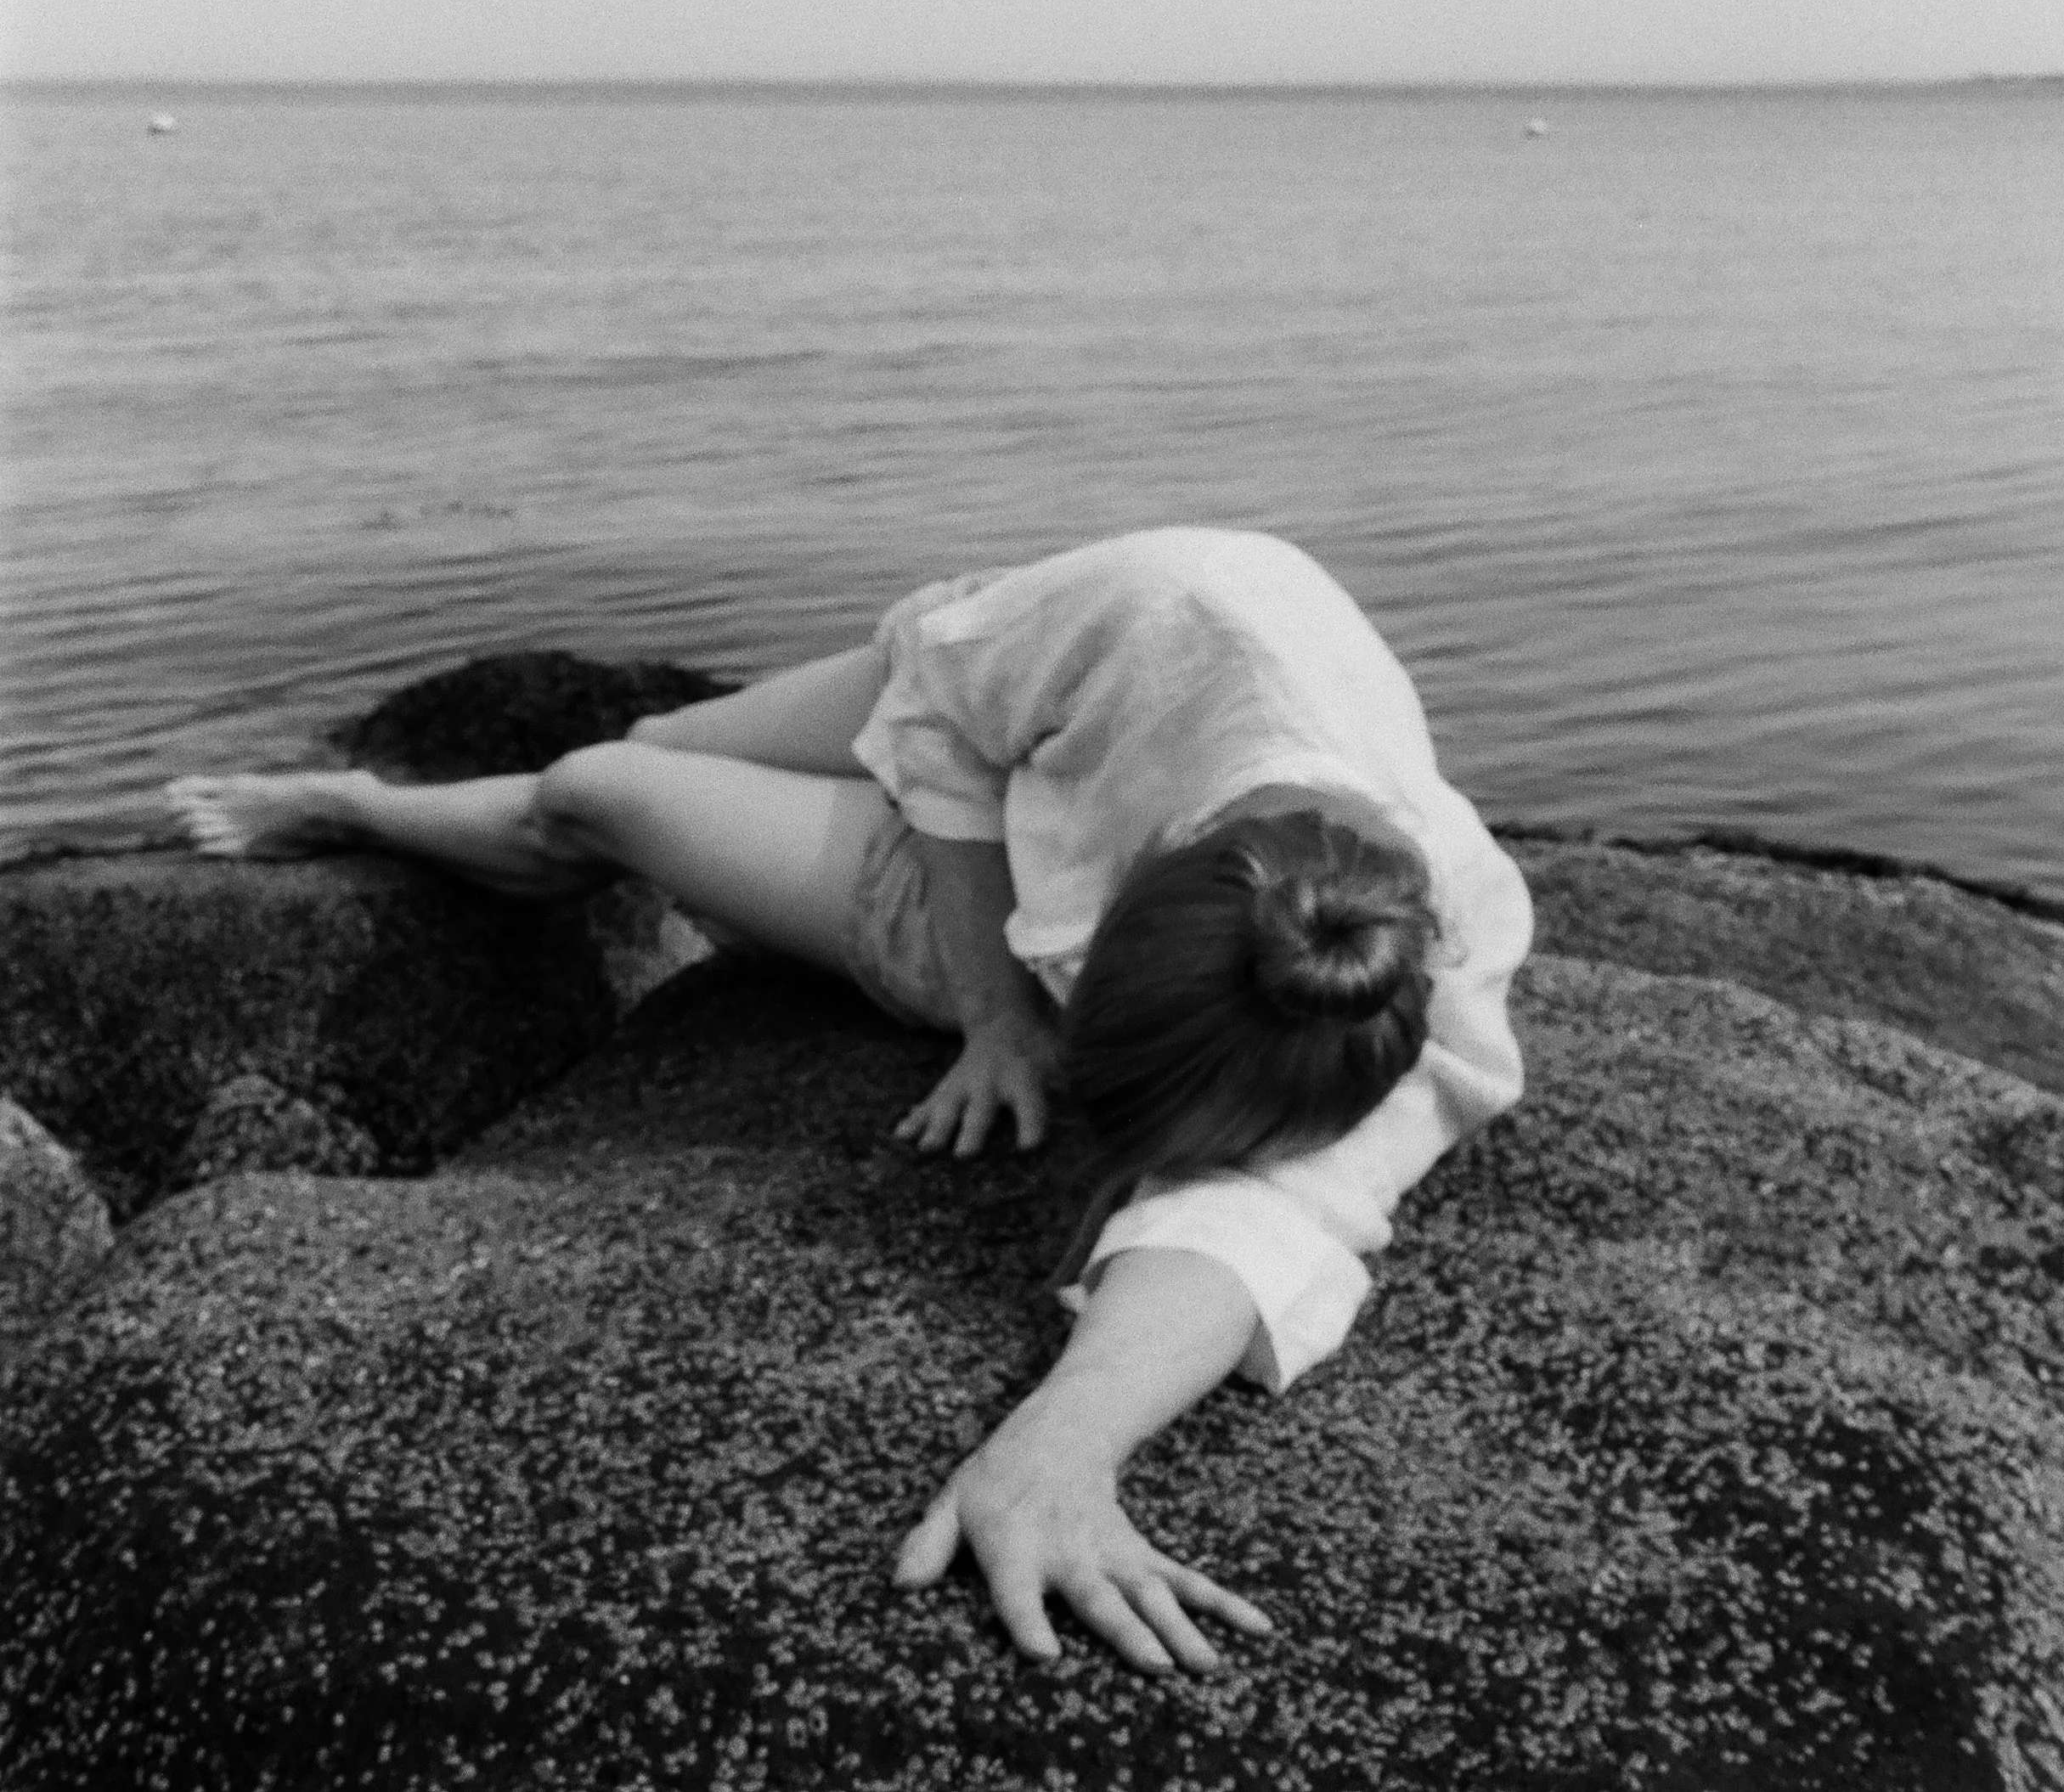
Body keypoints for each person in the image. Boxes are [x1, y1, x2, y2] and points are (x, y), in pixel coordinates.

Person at [169, 527, 1533, 1680]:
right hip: (995, 674)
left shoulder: (1415, 981)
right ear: (1122, 901)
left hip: (1076, 759)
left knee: (598, 791)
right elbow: (948, 726)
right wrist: (1001, 1014)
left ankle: (346, 802)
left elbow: (1275, 1221)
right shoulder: (1156, 630)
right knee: (649, 736)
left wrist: (1057, 1447)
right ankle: (367, 805)